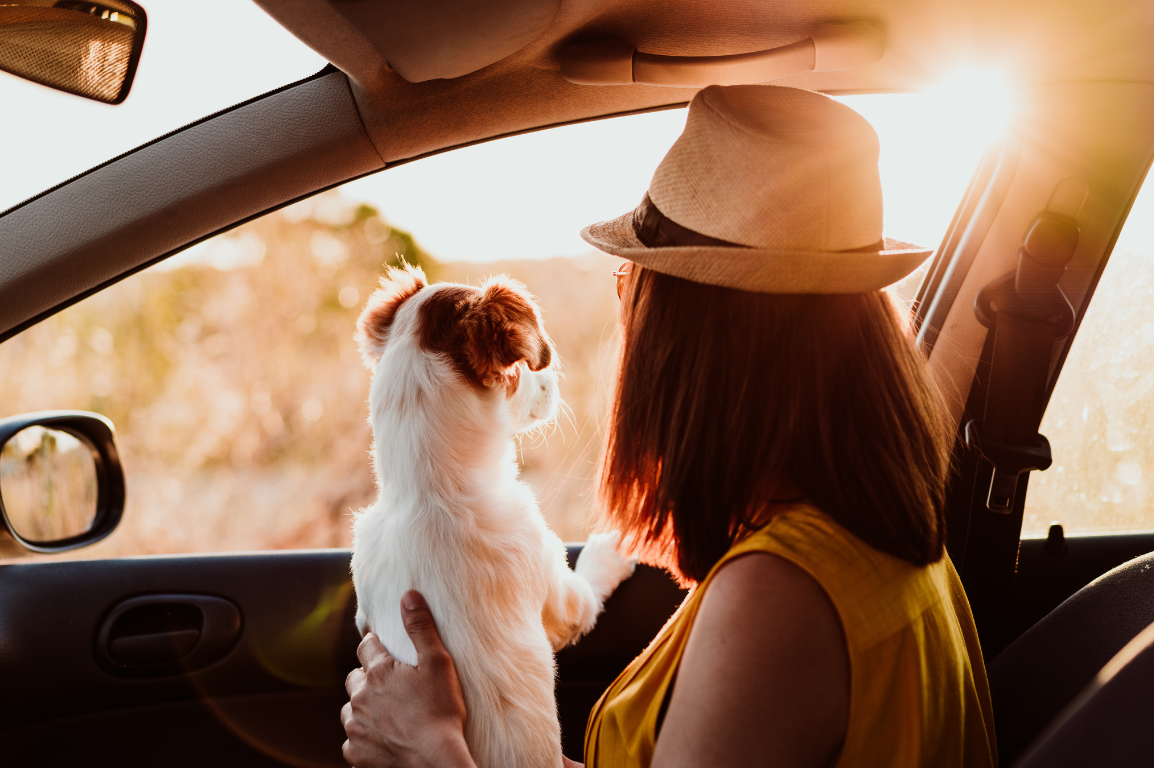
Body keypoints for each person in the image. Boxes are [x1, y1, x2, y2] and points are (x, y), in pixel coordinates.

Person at [340, 84, 997, 768]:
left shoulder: (778, 599)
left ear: (690, 338)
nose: (625, 313)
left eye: (630, 282)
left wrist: (433, 750)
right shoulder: (868, 548)